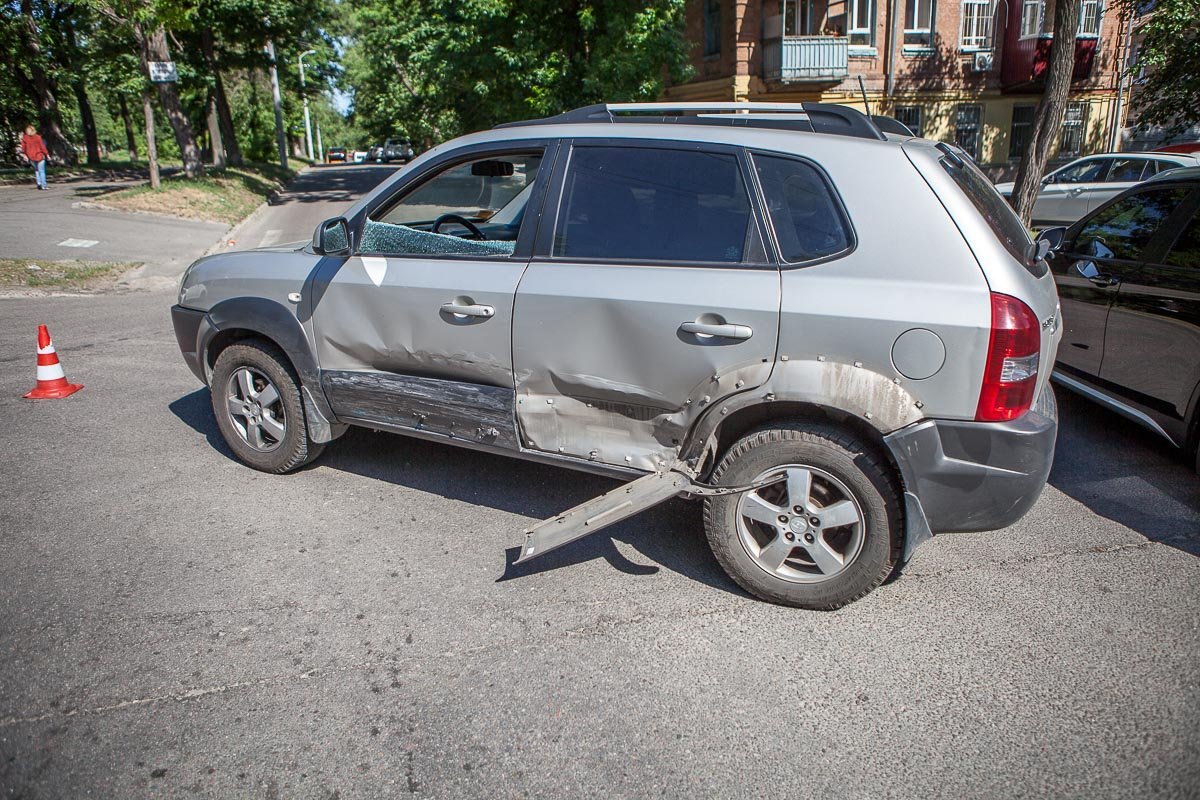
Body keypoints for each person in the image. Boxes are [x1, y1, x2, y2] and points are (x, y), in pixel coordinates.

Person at [19, 124, 49, 190]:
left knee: (37, 170)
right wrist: (47, 154)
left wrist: (24, 155)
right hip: (40, 156)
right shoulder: (38, 137)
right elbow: (42, 147)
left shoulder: (25, 138)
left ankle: (39, 184)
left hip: (31, 157)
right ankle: (44, 185)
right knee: (41, 171)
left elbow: (23, 148)